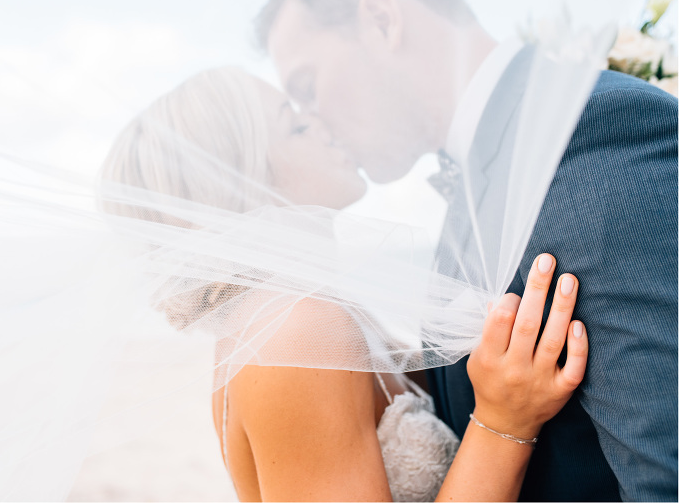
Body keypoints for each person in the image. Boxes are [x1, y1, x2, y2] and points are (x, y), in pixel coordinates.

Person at [256, 0, 678, 501]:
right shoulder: (475, 180)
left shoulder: (599, 139)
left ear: (382, 19)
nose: (316, 121)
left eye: (308, 87)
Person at [100, 67, 589, 501]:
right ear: (243, 185)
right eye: (295, 125)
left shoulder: (307, 309)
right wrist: (505, 423)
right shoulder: (292, 329)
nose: (322, 124)